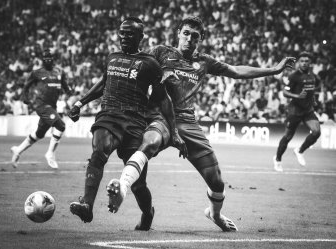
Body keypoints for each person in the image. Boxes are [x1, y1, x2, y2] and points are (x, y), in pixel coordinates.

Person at [106, 16, 296, 232]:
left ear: (201, 39)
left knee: (217, 182)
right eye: (186, 33)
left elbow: (236, 71)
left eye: (195, 36)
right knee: (150, 142)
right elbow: (133, 62)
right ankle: (121, 187)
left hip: (187, 123)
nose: (189, 39)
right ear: (178, 33)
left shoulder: (204, 62)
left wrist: (274, 70)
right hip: (159, 117)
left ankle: (214, 214)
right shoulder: (160, 53)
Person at [68, 17, 186, 224]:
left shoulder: (150, 64)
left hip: (134, 123)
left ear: (141, 36)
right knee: (99, 151)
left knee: (138, 185)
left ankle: (148, 213)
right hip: (109, 116)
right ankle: (87, 205)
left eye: (130, 33)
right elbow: (104, 83)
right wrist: (80, 103)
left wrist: (174, 133)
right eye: (122, 33)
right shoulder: (112, 57)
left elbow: (163, 99)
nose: (124, 37)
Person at [10, 49, 72, 169]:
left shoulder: (59, 71)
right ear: (42, 60)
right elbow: (26, 85)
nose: (48, 60)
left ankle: (18, 150)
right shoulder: (37, 72)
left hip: (52, 106)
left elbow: (64, 83)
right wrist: (25, 97)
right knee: (61, 126)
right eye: (45, 58)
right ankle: (50, 153)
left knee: (39, 134)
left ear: (53, 59)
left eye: (50, 58)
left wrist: (69, 90)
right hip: (42, 105)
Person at [273, 51, 321, 172]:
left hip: (308, 110)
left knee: (316, 132)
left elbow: (311, 91)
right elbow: (285, 92)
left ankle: (299, 151)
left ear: (310, 63)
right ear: (299, 62)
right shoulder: (294, 76)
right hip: (295, 110)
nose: (304, 63)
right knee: (288, 137)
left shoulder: (312, 76)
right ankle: (277, 159)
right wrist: (297, 96)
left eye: (307, 61)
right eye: (302, 61)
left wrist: (313, 100)